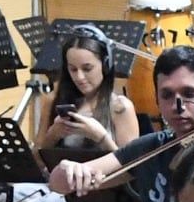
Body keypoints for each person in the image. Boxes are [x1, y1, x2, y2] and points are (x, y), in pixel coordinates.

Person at [51, 43, 194, 202]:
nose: (178, 106)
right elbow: (58, 184)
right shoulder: (152, 146)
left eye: (189, 93)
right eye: (167, 95)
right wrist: (68, 169)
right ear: (156, 99)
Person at [33, 25, 139, 169]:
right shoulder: (53, 101)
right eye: (73, 69)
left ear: (105, 65)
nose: (79, 77)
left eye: (87, 69)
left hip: (105, 188)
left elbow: (131, 171)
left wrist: (101, 138)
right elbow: (37, 163)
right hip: (60, 186)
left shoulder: (120, 107)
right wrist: (52, 135)